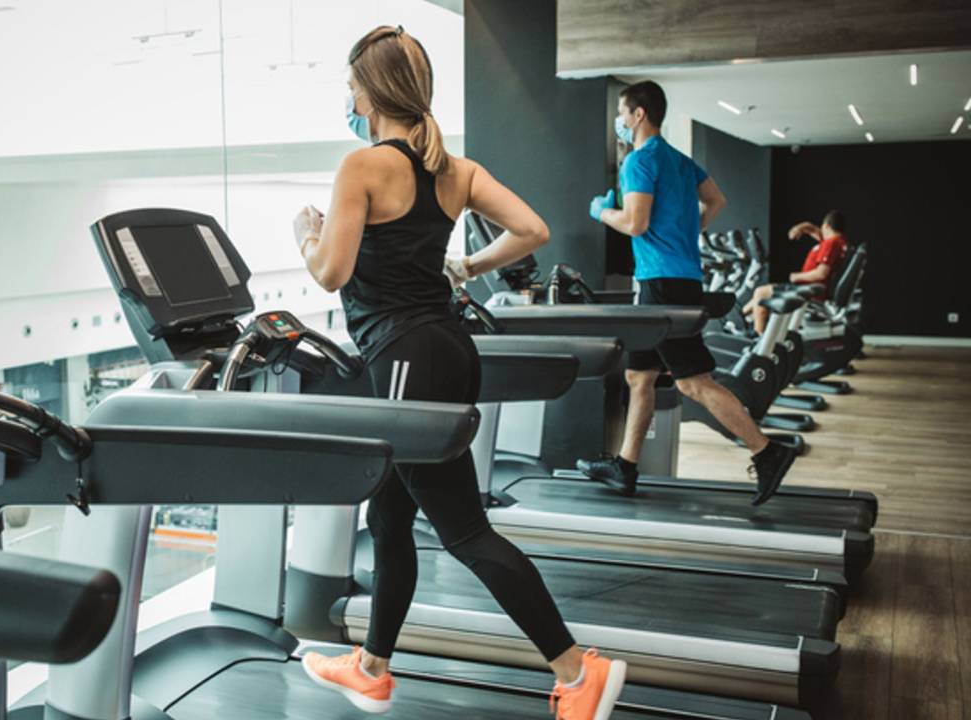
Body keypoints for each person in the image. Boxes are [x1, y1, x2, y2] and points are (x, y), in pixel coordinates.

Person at [292, 25, 625, 720]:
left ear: (374, 91)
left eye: (352, 86)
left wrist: (305, 230)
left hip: (408, 356)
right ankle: (373, 668)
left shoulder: (363, 166)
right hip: (448, 344)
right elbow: (533, 229)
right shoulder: (455, 170)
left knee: (465, 530)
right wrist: (466, 266)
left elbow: (330, 273)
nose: (348, 98)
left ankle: (576, 671)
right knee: (389, 514)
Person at [579, 80, 797, 506]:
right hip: (673, 277)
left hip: (662, 284)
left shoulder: (639, 161)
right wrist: (685, 233)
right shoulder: (680, 160)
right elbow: (716, 200)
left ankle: (767, 452)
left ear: (639, 114)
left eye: (623, 115)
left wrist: (603, 211)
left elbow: (636, 224)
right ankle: (625, 466)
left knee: (693, 383)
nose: (621, 123)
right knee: (638, 376)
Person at [742, 211, 849, 333]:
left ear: (826, 226)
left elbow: (821, 273)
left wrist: (795, 277)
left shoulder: (831, 243)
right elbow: (814, 231)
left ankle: (758, 338)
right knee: (754, 300)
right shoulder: (840, 242)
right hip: (812, 289)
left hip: (809, 291)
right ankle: (738, 318)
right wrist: (802, 227)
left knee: (760, 293)